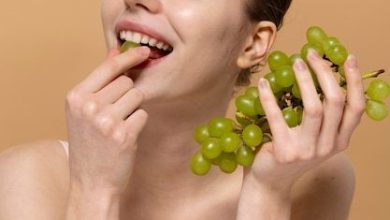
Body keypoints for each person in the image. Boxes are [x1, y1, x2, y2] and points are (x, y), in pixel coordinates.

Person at [0, 0, 364, 219]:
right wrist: (94, 192)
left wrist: (267, 197)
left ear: (253, 43)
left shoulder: (311, 181)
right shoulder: (26, 179)